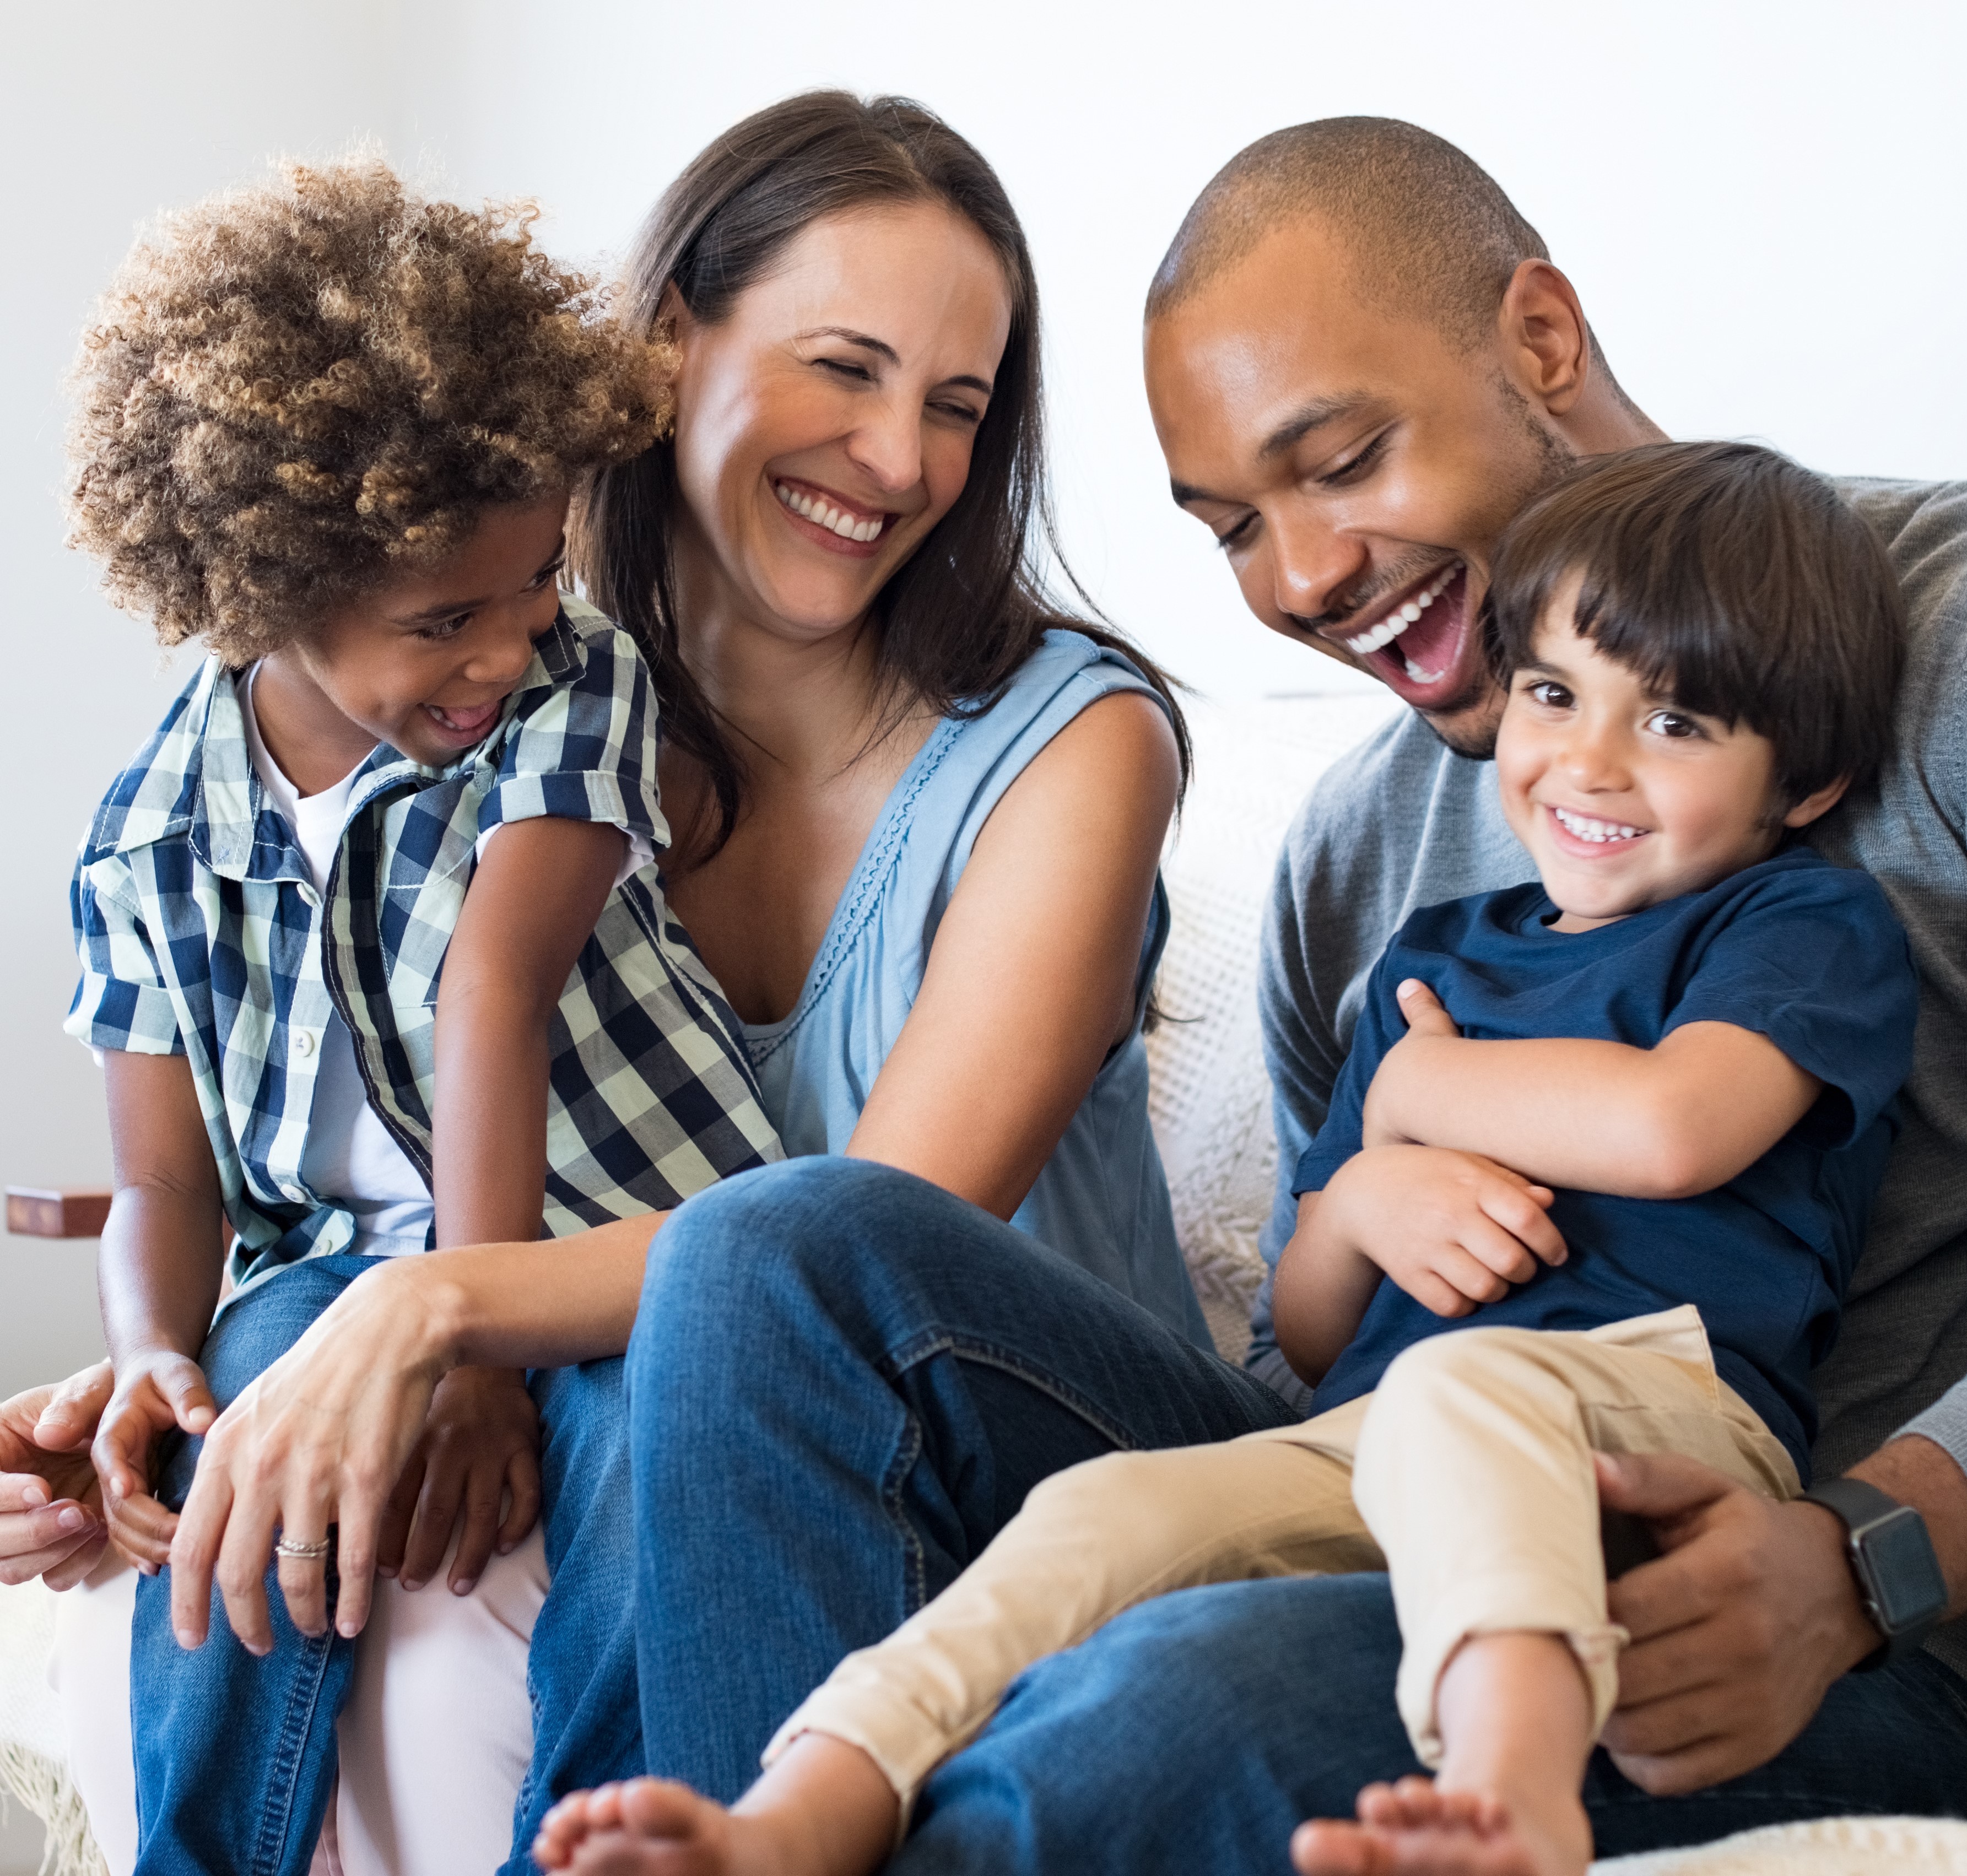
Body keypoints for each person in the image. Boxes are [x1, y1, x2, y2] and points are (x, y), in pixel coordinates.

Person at [536, 113, 1967, 1874]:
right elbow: (1316, 1356)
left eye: (1340, 460)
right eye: (1229, 532)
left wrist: (1863, 1560)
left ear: (1540, 341)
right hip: (1400, 1494)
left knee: (1164, 1704)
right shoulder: (1361, 855)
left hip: (1797, 1623)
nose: (1299, 581)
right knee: (774, 1253)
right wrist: (1366, 1193)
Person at [1, 91, 1224, 1875]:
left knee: (584, 1458)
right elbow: (343, 1108)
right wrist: (167, 1384)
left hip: (974, 1457)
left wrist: (432, 1308)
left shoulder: (1068, 751)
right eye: (845, 370)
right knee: (318, 1544)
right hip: (649, 1399)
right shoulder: (478, 680)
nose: (898, 458)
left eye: (956, 407)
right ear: (664, 349)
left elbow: (855, 1243)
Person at [532, 438, 1920, 1876]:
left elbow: (1672, 1126)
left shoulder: (1793, 927)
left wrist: (1424, 1091)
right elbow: (1312, 1330)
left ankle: (1516, 1799)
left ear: (1804, 781)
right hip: (1368, 1436)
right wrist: (1370, 1182)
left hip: (1655, 1419)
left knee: (1463, 1384)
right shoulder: (1437, 957)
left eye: (1676, 725)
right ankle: (800, 1812)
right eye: (1554, 693)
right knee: (1107, 1512)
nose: (1587, 763)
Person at [55, 157, 780, 1875]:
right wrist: (158, 1351)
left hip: (623, 1238)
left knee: (641, 1474)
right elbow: (167, 1182)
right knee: (244, 1436)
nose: (503, 644)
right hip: (325, 1275)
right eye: (443, 618)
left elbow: (493, 994)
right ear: (260, 592)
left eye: (532, 582)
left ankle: (598, 1848)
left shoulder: (568, 681)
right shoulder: (149, 836)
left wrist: (471, 1336)